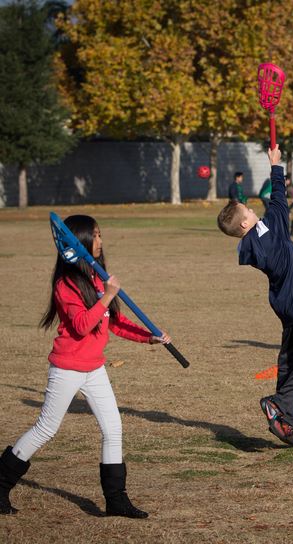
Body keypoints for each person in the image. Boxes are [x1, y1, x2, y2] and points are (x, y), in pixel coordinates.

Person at [0, 215, 171, 518]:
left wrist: (150, 338)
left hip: (94, 368)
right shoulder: (66, 284)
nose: (101, 241)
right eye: (95, 235)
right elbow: (81, 325)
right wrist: (107, 296)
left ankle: (116, 501)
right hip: (67, 367)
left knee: (113, 428)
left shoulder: (95, 278)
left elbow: (116, 323)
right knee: (46, 429)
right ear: (78, 242)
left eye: (100, 234)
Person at [217, 145, 293, 447]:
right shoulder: (269, 232)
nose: (254, 211)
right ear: (244, 223)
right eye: (249, 211)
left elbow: (275, 207)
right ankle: (279, 404)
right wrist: (276, 166)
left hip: (285, 302)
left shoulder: (252, 244)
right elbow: (280, 201)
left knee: (291, 361)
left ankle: (283, 421)